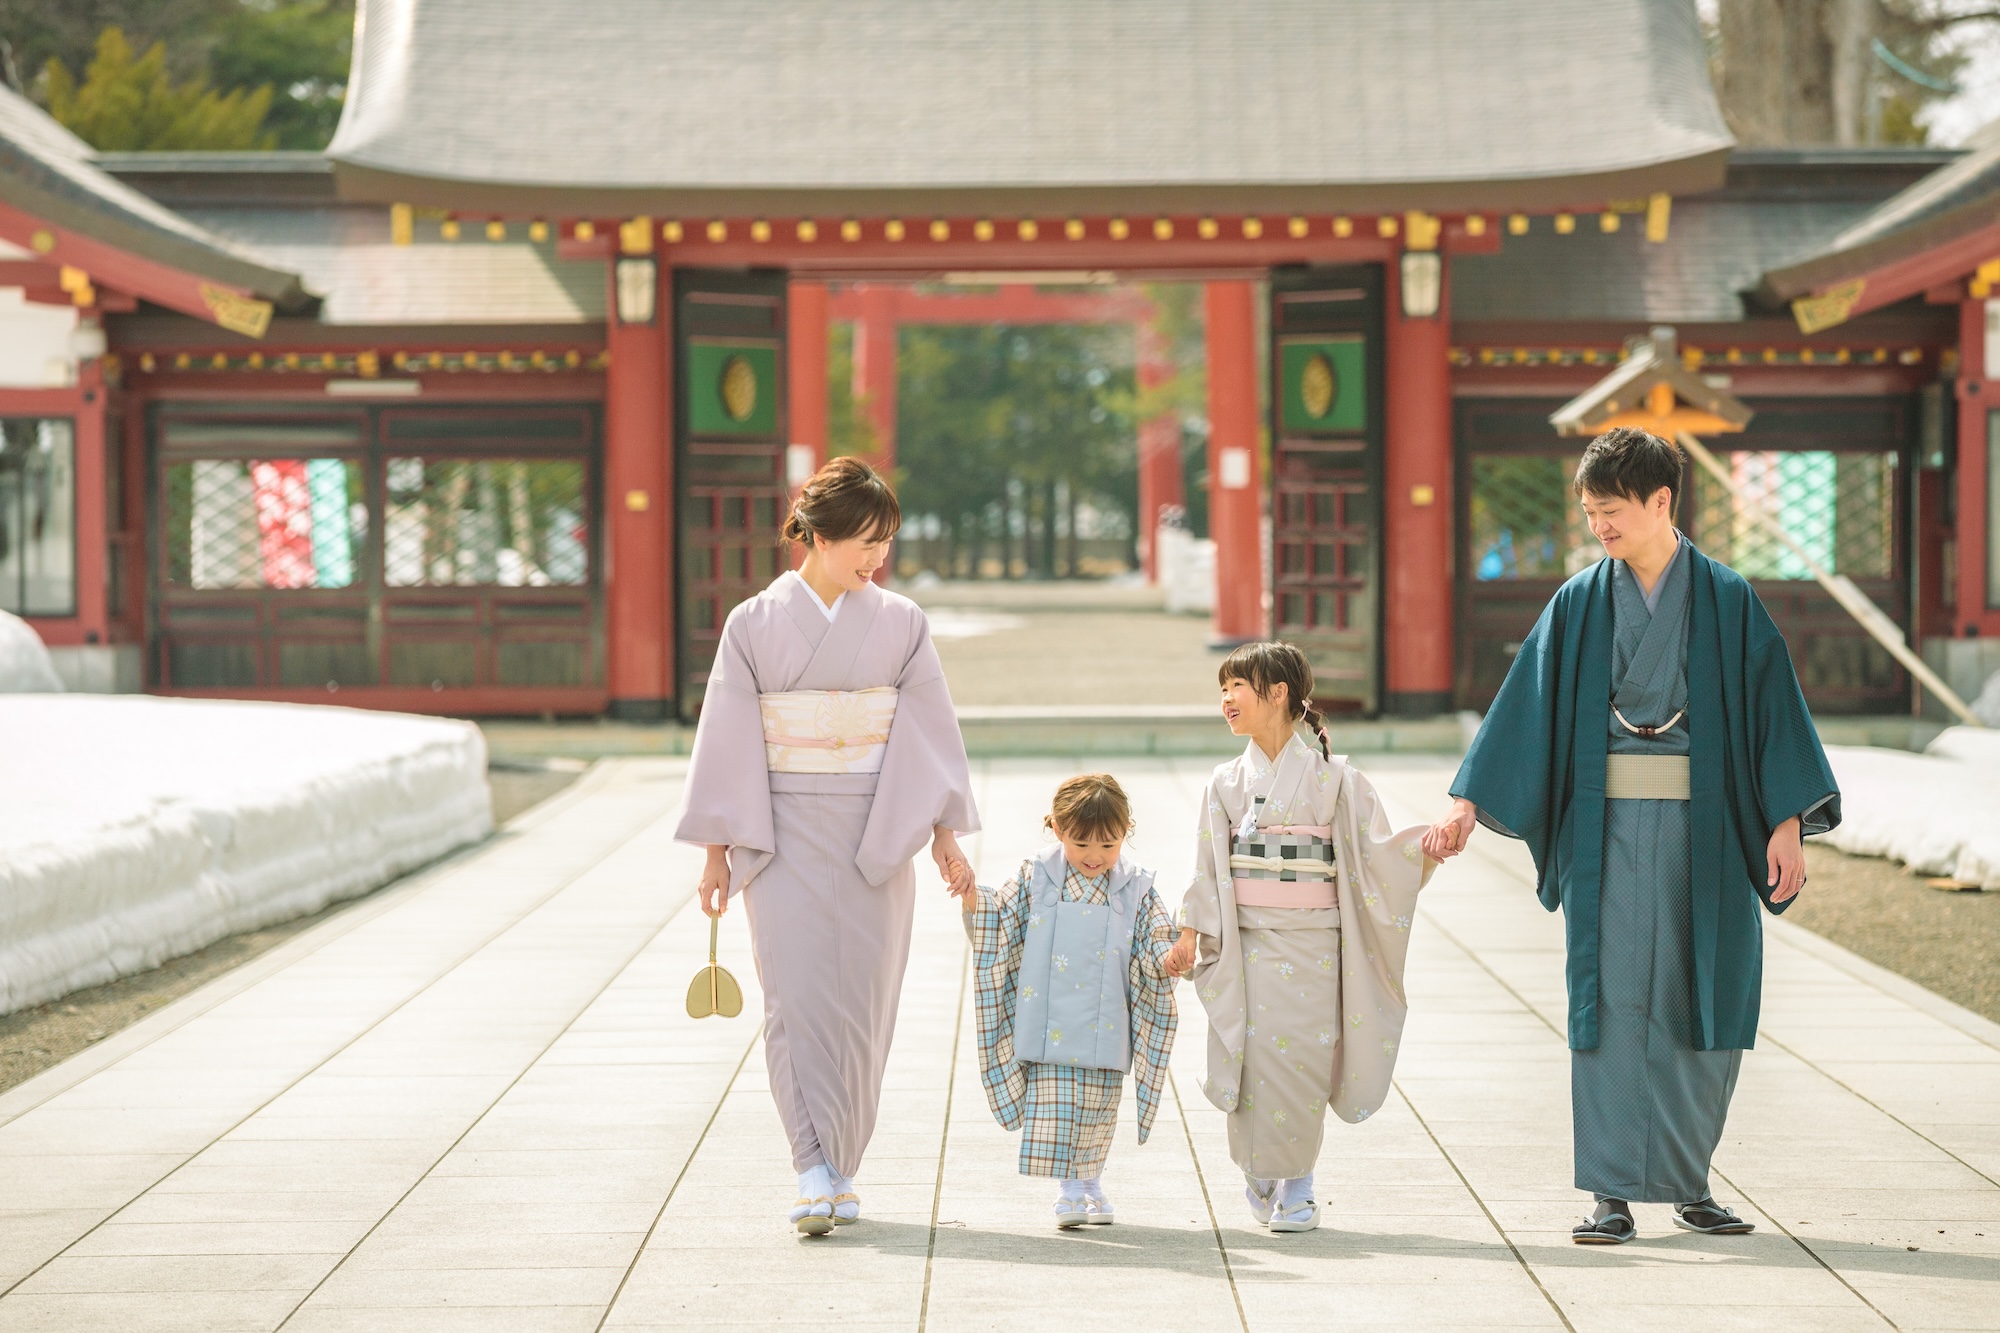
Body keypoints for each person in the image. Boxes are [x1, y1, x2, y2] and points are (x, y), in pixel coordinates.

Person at [1422, 426, 1839, 1245]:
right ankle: (1611, 1191)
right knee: (1611, 1002)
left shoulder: (1727, 598)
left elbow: (1771, 714)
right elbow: (1523, 708)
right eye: (1589, 513)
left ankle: (1689, 1182)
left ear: (1660, 502)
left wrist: (1786, 821)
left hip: (1708, 831)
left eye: (1611, 511)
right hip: (1607, 833)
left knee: (1698, 993)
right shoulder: (1579, 601)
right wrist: (1468, 803)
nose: (1598, 527)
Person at [675, 457, 979, 1237]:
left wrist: (943, 835)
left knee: (865, 1005)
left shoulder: (903, 623)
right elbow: (727, 736)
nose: (877, 557)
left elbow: (928, 735)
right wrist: (717, 848)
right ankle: (811, 1161)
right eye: (865, 541)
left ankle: (842, 1165)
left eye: (885, 541)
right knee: (796, 999)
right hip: (781, 831)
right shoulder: (753, 623)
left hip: (877, 831)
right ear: (815, 533)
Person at [1164, 642, 1434, 1234]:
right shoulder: (1224, 783)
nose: (1227, 700)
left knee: (1307, 1056)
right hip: (1249, 943)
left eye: (1238, 686)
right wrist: (1189, 934)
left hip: (1316, 942)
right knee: (1255, 1053)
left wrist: (1422, 852)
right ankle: (1263, 1166)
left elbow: (1378, 858)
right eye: (1224, 689)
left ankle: (1299, 1181)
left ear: (1278, 693)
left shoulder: (1338, 779)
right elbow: (1207, 867)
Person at [959, 774, 1178, 1229]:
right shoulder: (1036, 876)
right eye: (1081, 845)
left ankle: (1091, 1183)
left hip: (1106, 1019)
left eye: (1108, 845)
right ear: (1057, 829)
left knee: (1099, 1108)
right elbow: (999, 919)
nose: (1094, 858)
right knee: (1057, 1104)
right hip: (1050, 1019)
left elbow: (1157, 932)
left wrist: (1169, 957)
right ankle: (1070, 1189)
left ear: (1126, 834)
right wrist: (969, 896)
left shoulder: (1135, 887)